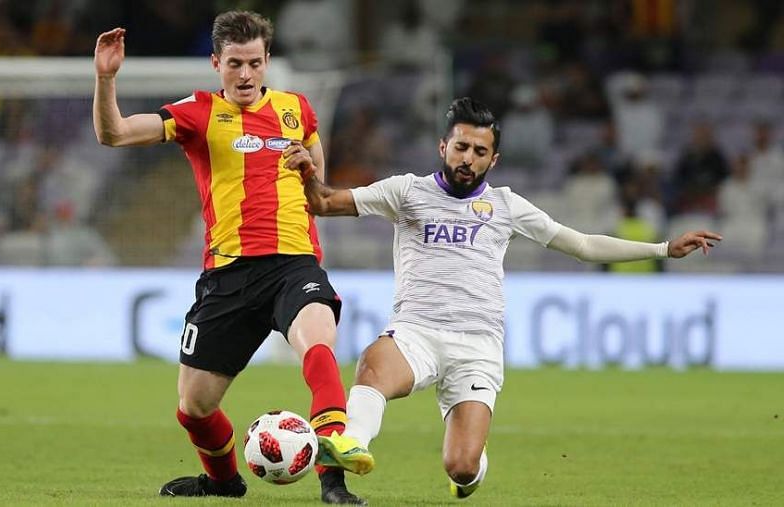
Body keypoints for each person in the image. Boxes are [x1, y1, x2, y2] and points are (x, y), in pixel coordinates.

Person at [299, 97, 721, 500]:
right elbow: (324, 202)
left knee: (461, 468)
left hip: (477, 345)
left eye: (480, 151)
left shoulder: (506, 205)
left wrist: (663, 248)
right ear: (443, 146)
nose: (468, 158)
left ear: (493, 159)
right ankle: (351, 442)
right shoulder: (406, 191)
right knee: (373, 364)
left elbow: (583, 245)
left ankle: (472, 466)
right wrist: (304, 172)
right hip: (417, 332)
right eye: (461, 147)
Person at [92, 10, 372, 504]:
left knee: (317, 344)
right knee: (193, 407)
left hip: (293, 262)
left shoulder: (297, 110)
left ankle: (335, 476)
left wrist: (309, 171)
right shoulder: (196, 112)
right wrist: (105, 78)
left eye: (255, 63)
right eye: (235, 64)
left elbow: (319, 196)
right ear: (216, 62)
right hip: (228, 274)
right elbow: (113, 134)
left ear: (267, 62)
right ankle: (223, 481)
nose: (246, 75)